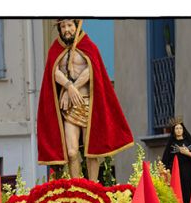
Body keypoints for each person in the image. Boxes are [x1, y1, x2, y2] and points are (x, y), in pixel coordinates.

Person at [37, 19, 133, 181]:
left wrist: (73, 88)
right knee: (72, 152)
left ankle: (92, 186)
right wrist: (69, 87)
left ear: (76, 26)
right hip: (68, 108)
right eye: (63, 26)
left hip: (87, 103)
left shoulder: (89, 46)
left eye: (69, 25)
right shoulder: (55, 48)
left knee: (91, 151)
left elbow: (92, 70)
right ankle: (77, 187)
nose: (66, 30)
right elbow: (53, 72)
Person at [161, 120, 191, 203]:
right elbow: (165, 160)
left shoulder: (190, 142)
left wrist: (187, 153)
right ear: (174, 131)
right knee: (179, 196)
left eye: (180, 128)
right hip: (177, 175)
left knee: (189, 196)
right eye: (176, 128)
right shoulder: (171, 144)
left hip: (190, 175)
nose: (178, 130)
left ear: (183, 130)